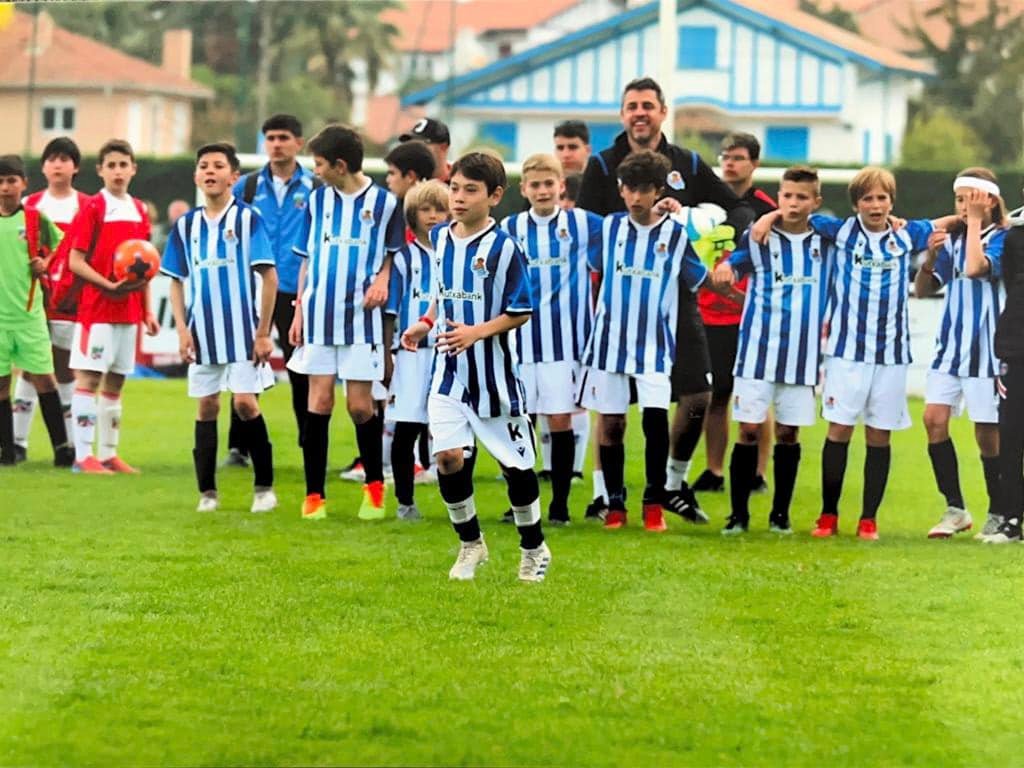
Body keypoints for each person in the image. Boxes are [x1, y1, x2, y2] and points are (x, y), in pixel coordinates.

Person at [577, 76, 752, 523]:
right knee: (612, 412)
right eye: (632, 105)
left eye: (648, 105)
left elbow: (735, 208)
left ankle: (671, 485)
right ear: (622, 114)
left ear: (662, 111)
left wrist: (707, 236)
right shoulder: (602, 165)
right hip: (617, 307)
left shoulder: (688, 163)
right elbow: (583, 227)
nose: (640, 112)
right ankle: (604, 495)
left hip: (676, 300)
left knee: (696, 398)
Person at [752, 167, 958, 538]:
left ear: (892, 202)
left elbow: (948, 222)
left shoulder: (906, 233)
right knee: (840, 430)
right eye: (868, 198)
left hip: (891, 356)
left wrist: (981, 215)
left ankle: (868, 519)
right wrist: (768, 216)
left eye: (882, 198)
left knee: (879, 436)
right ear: (856, 204)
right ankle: (828, 516)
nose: (875, 205)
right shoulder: (840, 231)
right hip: (846, 353)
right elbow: (795, 212)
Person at [401, 151, 551, 582]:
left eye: (470, 190)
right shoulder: (443, 238)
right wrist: (426, 322)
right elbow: (442, 290)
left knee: (516, 469)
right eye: (455, 187)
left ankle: (534, 548)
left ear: (496, 196)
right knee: (447, 458)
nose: (459, 198)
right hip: (449, 374)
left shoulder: (505, 248)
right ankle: (470, 545)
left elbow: (522, 310)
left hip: (495, 379)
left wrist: (476, 332)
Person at [579, 149, 709, 531]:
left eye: (644, 189)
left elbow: (698, 279)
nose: (636, 197)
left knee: (655, 421)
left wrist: (729, 282)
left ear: (657, 191)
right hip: (609, 343)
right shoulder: (610, 229)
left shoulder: (675, 233)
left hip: (654, 346)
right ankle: (615, 503)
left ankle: (654, 502)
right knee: (613, 424)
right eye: (629, 188)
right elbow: (593, 267)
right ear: (620, 190)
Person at [288, 124, 403, 521]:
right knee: (318, 401)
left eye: (318, 164)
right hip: (319, 315)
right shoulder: (317, 202)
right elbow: (306, 259)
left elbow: (393, 254)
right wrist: (300, 307)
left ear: (339, 165)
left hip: (362, 320)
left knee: (358, 406)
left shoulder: (386, 204)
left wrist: (384, 280)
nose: (314, 170)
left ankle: (374, 488)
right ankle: (314, 495)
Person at [161, 143, 279, 513]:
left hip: (243, 333)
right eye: (203, 166)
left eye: (218, 166)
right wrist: (182, 329)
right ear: (196, 176)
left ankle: (264, 488)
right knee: (207, 406)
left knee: (244, 403)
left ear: (234, 176)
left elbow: (269, 277)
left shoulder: (248, 219)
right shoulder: (186, 225)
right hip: (204, 334)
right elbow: (176, 280)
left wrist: (262, 333)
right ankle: (207, 493)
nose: (209, 171)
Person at [712, 166, 829, 534]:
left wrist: (772, 214)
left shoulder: (826, 237)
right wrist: (727, 271)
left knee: (788, 433)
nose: (793, 203)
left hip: (801, 356)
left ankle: (781, 515)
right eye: (787, 196)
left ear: (815, 201)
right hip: (756, 353)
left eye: (802, 197)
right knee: (748, 428)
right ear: (779, 196)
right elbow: (734, 263)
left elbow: (860, 226)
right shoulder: (758, 238)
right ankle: (738, 514)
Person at [501, 153, 601, 525]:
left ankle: (559, 505)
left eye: (549, 184)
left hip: (565, 345)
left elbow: (629, 228)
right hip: (521, 343)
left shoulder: (583, 224)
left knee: (559, 421)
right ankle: (522, 505)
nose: (542, 191)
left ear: (561, 186)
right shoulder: (510, 228)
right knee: (519, 423)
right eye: (535, 185)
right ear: (524, 189)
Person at [914, 169, 1006, 539]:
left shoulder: (1004, 239)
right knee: (933, 420)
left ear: (990, 202)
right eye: (959, 200)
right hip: (950, 350)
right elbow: (923, 290)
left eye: (972, 199)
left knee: (987, 434)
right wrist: (930, 259)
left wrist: (972, 225)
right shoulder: (952, 240)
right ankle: (955, 508)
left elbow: (975, 267)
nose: (965, 207)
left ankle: (999, 511)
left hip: (988, 353)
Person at [691, 133, 777, 495]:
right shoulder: (705, 205)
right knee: (715, 394)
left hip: (749, 315)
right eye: (725, 156)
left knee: (756, 393)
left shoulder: (766, 208)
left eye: (738, 157)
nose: (730, 163)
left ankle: (758, 472)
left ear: (754, 164)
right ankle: (713, 470)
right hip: (708, 313)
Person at [67, 139, 158, 474]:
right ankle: (82, 456)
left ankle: (108, 454)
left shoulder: (140, 209)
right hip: (97, 308)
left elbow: (145, 266)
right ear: (100, 171)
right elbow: (76, 260)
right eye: (112, 165)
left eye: (124, 165)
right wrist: (106, 284)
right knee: (89, 379)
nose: (118, 171)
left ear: (133, 169)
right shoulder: (94, 206)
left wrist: (147, 310)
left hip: (129, 311)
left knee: (117, 382)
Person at [232, 114, 318, 459]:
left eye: (283, 137)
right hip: (256, 288)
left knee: (301, 369)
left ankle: (308, 440)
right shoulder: (247, 187)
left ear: (299, 142)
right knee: (247, 365)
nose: (276, 144)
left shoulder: (315, 187)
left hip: (298, 288)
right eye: (270, 138)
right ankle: (239, 446)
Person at [13, 137, 90, 462]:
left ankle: (71, 445)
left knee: (65, 368)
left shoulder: (87, 206)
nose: (57, 164)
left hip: (73, 300)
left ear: (76, 167)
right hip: (35, 300)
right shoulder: (29, 206)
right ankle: (17, 442)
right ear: (43, 167)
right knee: (30, 369)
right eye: (51, 159)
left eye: (64, 159)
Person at [0, 154, 73, 467]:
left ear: (24, 184)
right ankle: (7, 451)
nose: (5, 187)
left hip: (29, 317)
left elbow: (61, 244)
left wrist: (45, 263)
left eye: (12, 181)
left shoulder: (33, 218)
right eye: (1, 181)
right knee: (2, 385)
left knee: (45, 379)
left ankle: (62, 449)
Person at [385, 179, 449, 521]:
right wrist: (388, 352)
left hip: (449, 350)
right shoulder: (402, 258)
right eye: (426, 209)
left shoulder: (457, 252)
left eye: (440, 208)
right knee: (407, 425)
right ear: (413, 214)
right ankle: (405, 501)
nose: (434, 215)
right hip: (410, 353)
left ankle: (456, 497)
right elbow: (391, 308)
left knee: (452, 426)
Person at [983, 207, 1024, 542]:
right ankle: (1012, 520)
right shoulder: (1014, 238)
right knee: (1011, 436)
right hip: (1016, 348)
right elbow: (1011, 284)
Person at [399, 118, 451, 183]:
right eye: (410, 144)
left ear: (443, 147)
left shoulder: (461, 182)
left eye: (421, 145)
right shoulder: (404, 184)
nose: (414, 150)